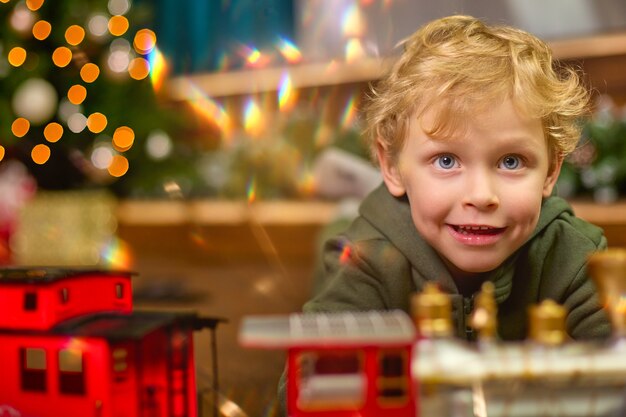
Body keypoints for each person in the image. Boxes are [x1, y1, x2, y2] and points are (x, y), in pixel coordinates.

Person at [277, 14, 610, 416]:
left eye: (510, 161)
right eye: (447, 160)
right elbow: (303, 394)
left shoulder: (574, 255)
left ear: (551, 171)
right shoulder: (364, 260)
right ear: (394, 166)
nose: (481, 195)